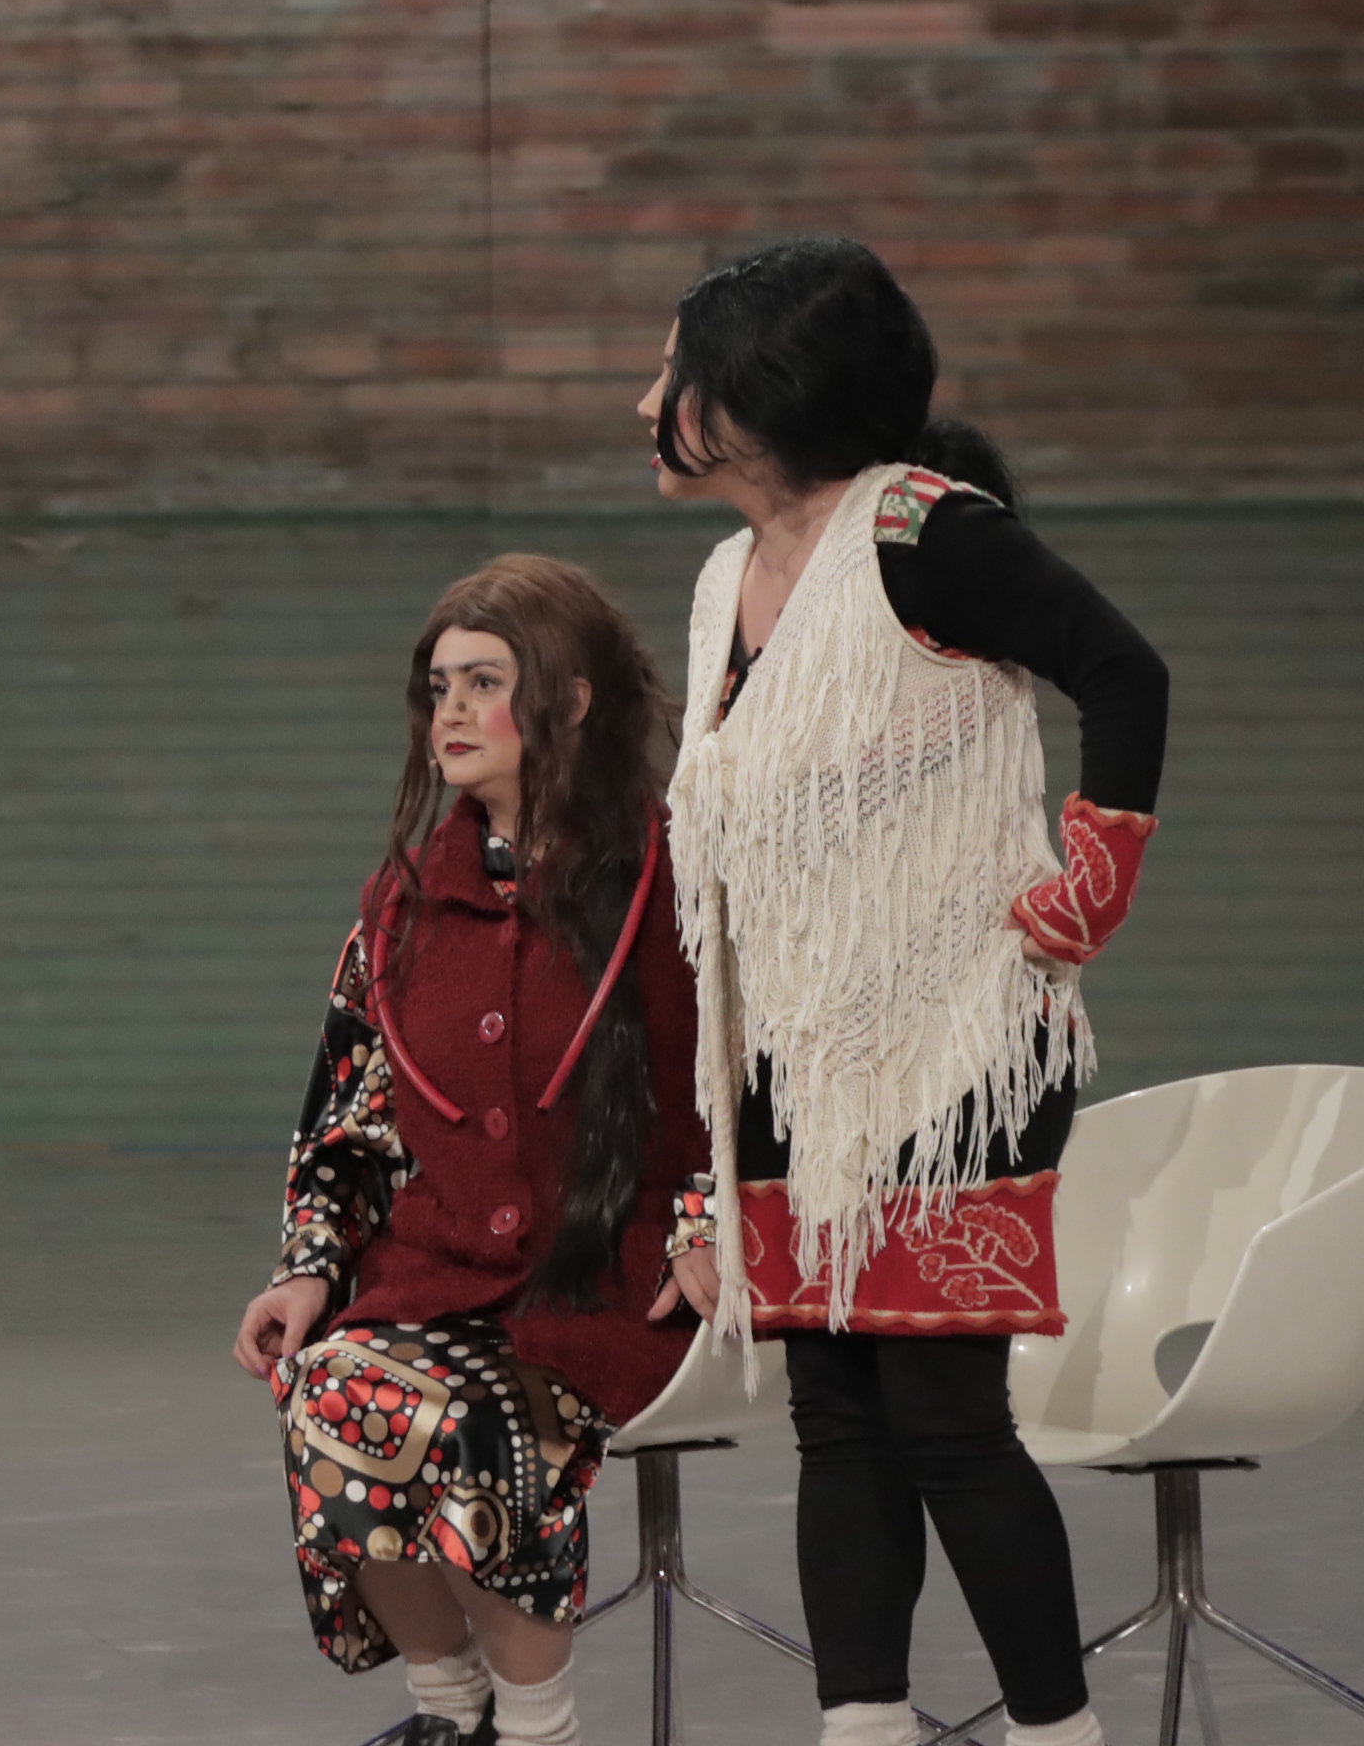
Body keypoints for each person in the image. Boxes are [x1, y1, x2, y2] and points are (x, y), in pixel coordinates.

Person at [640, 237, 1168, 1746]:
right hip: (795, 1055)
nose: (647, 401)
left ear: (755, 397)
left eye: (672, 371)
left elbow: (1123, 671)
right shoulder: (725, 577)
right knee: (836, 1420)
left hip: (955, 1048)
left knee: (944, 1420)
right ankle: (862, 1724)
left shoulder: (927, 533)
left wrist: (1091, 882)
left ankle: (1058, 1733)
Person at [233, 556, 706, 1746]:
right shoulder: (399, 907)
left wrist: (712, 1219)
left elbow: (756, 1077)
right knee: (335, 1388)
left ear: (571, 700)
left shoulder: (680, 874)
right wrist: (309, 1266)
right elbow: (348, 1113)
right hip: (438, 1273)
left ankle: (538, 1726)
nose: (450, 709)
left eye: (484, 681)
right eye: (439, 684)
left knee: (471, 1417)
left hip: (614, 1277)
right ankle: (450, 1713)